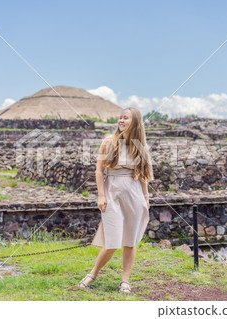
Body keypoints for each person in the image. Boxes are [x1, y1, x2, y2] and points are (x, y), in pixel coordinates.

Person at [78, 107, 154, 293]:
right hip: (112, 193)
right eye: (120, 118)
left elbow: (143, 175)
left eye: (125, 118)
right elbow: (99, 170)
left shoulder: (140, 146)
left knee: (130, 241)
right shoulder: (108, 142)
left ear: (134, 122)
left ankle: (125, 280)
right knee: (111, 242)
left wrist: (146, 197)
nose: (121, 121)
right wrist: (101, 195)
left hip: (135, 195)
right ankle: (93, 273)